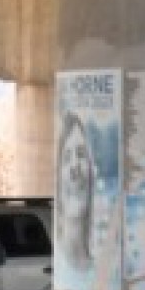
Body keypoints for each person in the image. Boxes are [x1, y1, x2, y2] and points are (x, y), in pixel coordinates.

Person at [54, 112, 95, 270]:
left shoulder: (101, 270)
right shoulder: (62, 265)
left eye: (81, 154)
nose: (74, 167)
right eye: (66, 158)